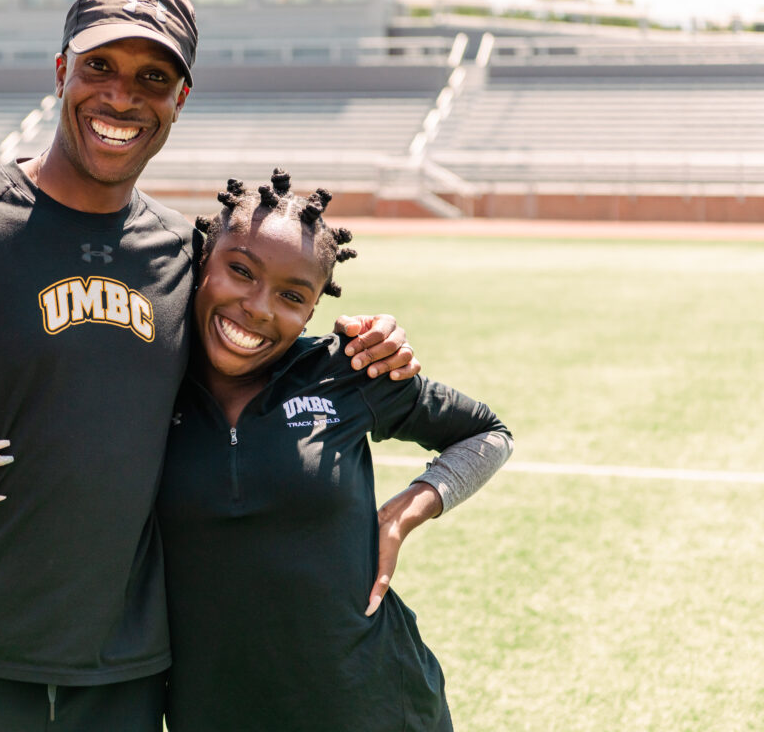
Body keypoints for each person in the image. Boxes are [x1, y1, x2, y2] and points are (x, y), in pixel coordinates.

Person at [0, 0, 418, 731]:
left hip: (123, 683)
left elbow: (268, 361)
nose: (121, 98)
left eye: (153, 78)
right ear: (59, 74)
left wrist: (378, 346)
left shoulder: (189, 257)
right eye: (99, 67)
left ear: (181, 98)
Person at [154, 171, 514, 731]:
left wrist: (401, 515)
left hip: (371, 699)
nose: (258, 307)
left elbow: (488, 434)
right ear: (204, 263)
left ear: (315, 308)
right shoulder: (144, 379)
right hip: (215, 710)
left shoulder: (349, 372)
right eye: (240, 271)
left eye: (293, 296)